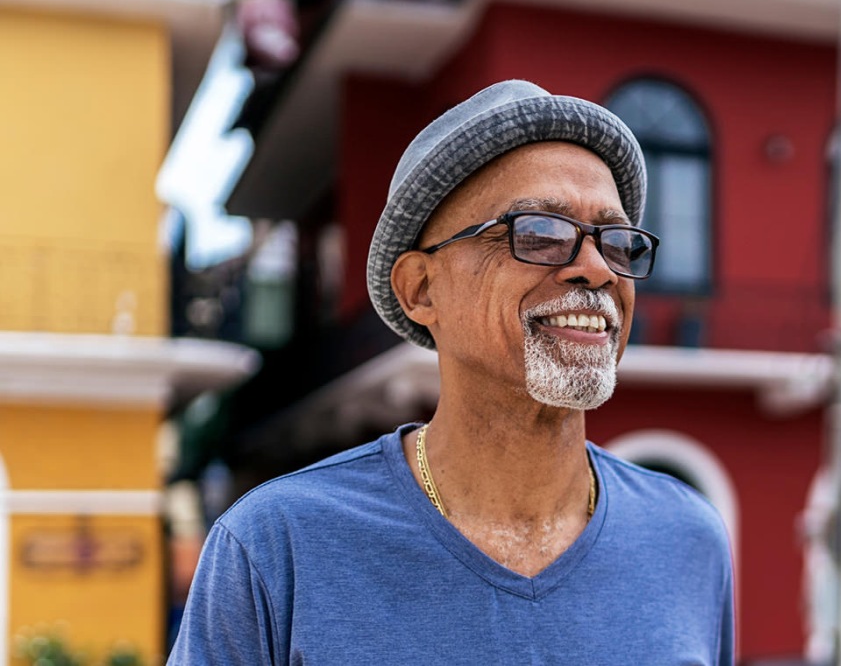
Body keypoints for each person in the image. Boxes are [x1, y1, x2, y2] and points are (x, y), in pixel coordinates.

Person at [168, 80, 736, 664]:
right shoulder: (275, 546)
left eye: (617, 242)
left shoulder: (689, 538)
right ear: (420, 289)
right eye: (539, 232)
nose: (595, 268)